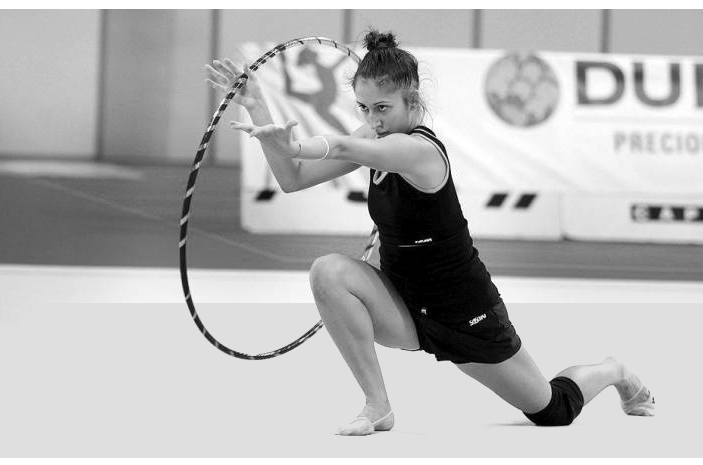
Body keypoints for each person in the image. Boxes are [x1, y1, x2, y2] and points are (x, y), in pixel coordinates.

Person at [205, 29, 654, 436]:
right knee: (328, 272)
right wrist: (259, 107)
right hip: (403, 302)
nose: (373, 120)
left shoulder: (419, 151)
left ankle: (613, 370)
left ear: (412, 101)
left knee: (552, 410)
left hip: (463, 311)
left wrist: (293, 143)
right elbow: (293, 178)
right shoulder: (375, 136)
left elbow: (339, 145)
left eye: (383, 108)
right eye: (364, 108)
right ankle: (378, 405)